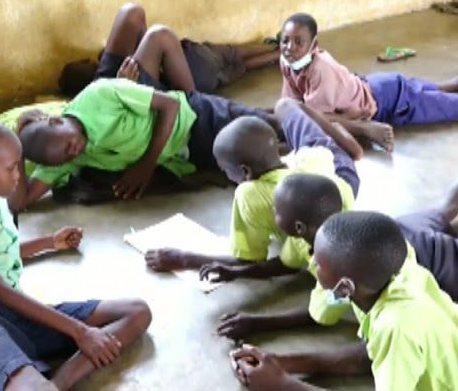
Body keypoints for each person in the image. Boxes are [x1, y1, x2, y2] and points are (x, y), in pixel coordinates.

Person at [231, 183, 458, 390]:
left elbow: (385, 350)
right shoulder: (398, 270)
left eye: (318, 262)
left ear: (346, 286)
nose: (312, 264)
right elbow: (373, 356)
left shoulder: (397, 325)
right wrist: (282, 363)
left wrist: (282, 386)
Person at [216, 142, 458, 340]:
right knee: (444, 209)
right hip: (399, 230)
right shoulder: (338, 215)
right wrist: (235, 273)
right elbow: (292, 268)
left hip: (438, 262)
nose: (273, 215)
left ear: (299, 227)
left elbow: (319, 313)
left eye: (277, 212)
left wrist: (259, 323)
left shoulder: (334, 261)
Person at [0, 118, 152, 391]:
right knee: (31, 383)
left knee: (136, 312)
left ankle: (57, 384)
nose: (18, 176)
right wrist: (80, 331)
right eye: (10, 169)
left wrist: (50, 242)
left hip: (8, 307)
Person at [279, 13, 458, 152]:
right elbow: (290, 103)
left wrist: (368, 129)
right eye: (285, 40)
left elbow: (316, 117)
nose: (290, 48)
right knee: (452, 87)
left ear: (314, 44)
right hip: (380, 87)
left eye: (299, 42)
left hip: (390, 101)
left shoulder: (321, 70)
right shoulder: (288, 62)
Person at [144, 97, 361, 274]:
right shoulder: (310, 158)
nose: (225, 175)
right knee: (285, 105)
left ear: (245, 172)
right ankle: (338, 131)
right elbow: (322, 155)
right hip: (343, 177)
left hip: (331, 183)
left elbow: (249, 260)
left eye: (225, 170)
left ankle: (344, 130)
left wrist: (184, 259)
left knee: (286, 109)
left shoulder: (249, 195)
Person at [15, 77, 281, 208]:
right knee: (264, 160)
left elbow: (170, 105)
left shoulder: (99, 95)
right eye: (65, 159)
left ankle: (310, 120)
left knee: (273, 128)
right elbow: (23, 199)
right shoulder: (59, 156)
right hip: (190, 157)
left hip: (196, 117)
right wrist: (16, 151)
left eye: (67, 146)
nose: (73, 153)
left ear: (55, 121)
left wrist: (147, 164)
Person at [58, 3, 280, 95]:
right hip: (193, 60)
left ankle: (277, 54)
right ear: (88, 65)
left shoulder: (120, 73)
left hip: (202, 80)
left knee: (240, 67)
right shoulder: (116, 67)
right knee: (235, 53)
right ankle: (277, 46)